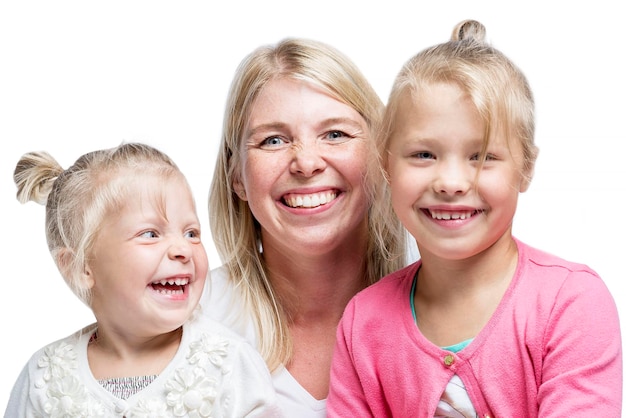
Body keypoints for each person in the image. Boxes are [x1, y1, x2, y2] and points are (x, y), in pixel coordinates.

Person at [327, 19, 623, 417]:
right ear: (386, 166)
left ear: (526, 169)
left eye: (482, 156)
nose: (451, 182)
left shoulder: (569, 304)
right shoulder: (363, 322)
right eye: (423, 155)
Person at [201, 38, 409, 416]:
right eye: (273, 140)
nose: (306, 162)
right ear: (237, 177)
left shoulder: (448, 304)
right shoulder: (191, 319)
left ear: (382, 156)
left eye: (335, 134)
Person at [5, 142, 280, 417]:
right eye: (150, 234)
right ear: (82, 267)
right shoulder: (45, 378)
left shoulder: (230, 366)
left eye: (192, 233)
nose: (183, 249)